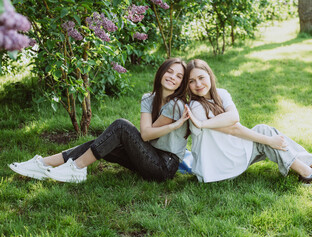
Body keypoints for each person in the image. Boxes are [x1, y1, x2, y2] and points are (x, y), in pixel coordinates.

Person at [9, 58, 190, 183]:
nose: (172, 77)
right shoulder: (148, 98)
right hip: (149, 155)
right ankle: (43, 164)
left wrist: (175, 124)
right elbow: (146, 135)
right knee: (103, 144)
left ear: (182, 83)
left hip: (164, 166)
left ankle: (77, 168)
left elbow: (146, 134)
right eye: (169, 72)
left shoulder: (177, 105)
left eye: (178, 76)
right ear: (161, 73)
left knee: (121, 126)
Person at [184, 59, 312, 185]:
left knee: (264, 132)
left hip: (229, 154)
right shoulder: (196, 107)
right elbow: (233, 127)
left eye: (201, 77)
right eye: (191, 81)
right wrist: (270, 141)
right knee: (265, 134)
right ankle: (309, 172)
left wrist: (270, 141)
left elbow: (234, 117)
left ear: (210, 76)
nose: (198, 84)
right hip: (217, 167)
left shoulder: (221, 94)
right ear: (188, 85)